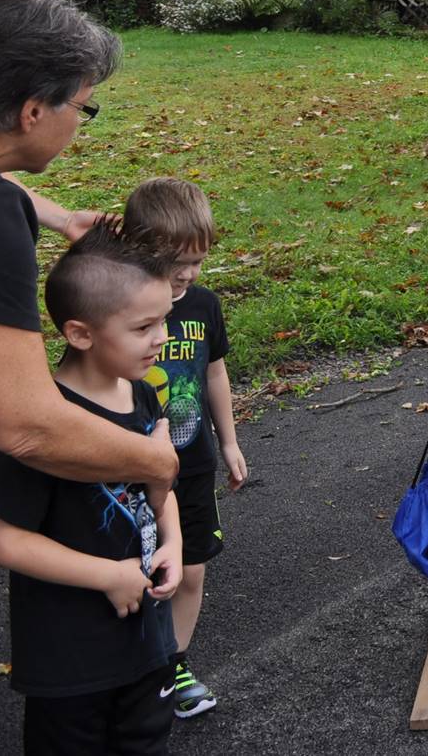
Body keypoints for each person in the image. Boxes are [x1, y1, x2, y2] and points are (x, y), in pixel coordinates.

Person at [0, 0, 161, 673]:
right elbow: (26, 423)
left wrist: (57, 216)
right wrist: (159, 460)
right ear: (33, 110)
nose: (82, 120)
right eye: (83, 105)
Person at [0, 221, 183, 755]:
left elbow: (160, 488)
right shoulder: (46, 428)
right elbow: (8, 541)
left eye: (165, 321)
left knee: (146, 739)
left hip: (144, 643)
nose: (162, 338)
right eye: (143, 327)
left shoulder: (141, 397)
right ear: (81, 333)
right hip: (70, 658)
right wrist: (106, 575)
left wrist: (174, 543)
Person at [123, 178, 245, 720]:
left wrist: (231, 441)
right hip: (129, 470)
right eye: (176, 260)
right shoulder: (117, 304)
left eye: (197, 261)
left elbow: (215, 372)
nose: (188, 273)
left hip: (190, 463)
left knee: (191, 569)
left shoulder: (202, 305)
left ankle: (174, 664)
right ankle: (131, 670)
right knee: (138, 573)